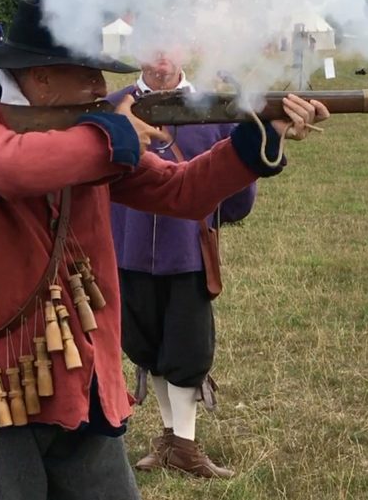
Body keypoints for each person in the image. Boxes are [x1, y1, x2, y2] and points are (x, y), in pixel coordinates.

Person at [0, 0, 328, 499]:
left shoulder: (87, 135)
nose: (101, 87)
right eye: (89, 73)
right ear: (42, 77)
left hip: (83, 379)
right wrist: (111, 132)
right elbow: (10, 167)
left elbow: (182, 192)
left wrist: (256, 138)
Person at [108, 54, 255, 479]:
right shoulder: (115, 106)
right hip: (128, 247)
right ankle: (171, 437)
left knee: (187, 349)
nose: (160, 58)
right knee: (148, 345)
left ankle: (185, 444)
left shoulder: (213, 108)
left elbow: (238, 183)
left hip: (188, 250)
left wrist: (211, 216)